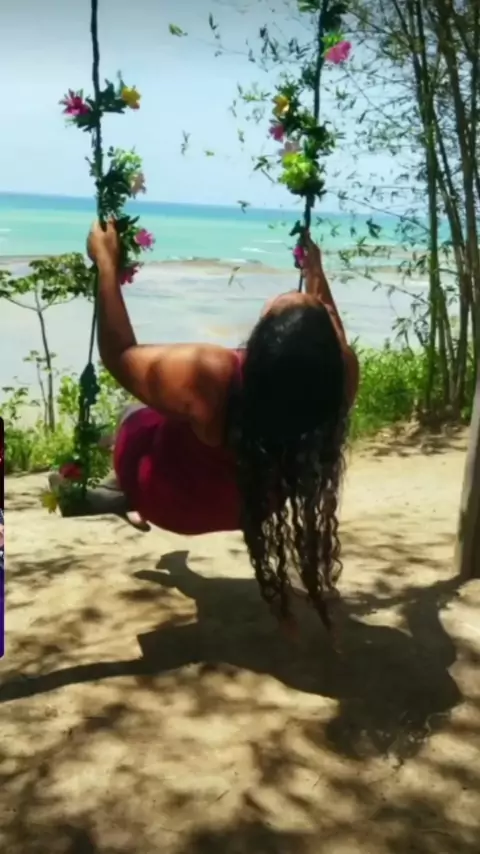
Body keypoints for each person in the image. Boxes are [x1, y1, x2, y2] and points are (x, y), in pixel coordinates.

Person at [62, 220, 359, 630]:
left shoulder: (213, 376)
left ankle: (122, 483)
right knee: (191, 413)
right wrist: (316, 273)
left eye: (277, 306)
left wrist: (107, 264)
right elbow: (329, 336)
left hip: (168, 502)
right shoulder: (337, 382)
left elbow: (120, 354)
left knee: (137, 409)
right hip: (252, 505)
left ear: (263, 342)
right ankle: (121, 478)